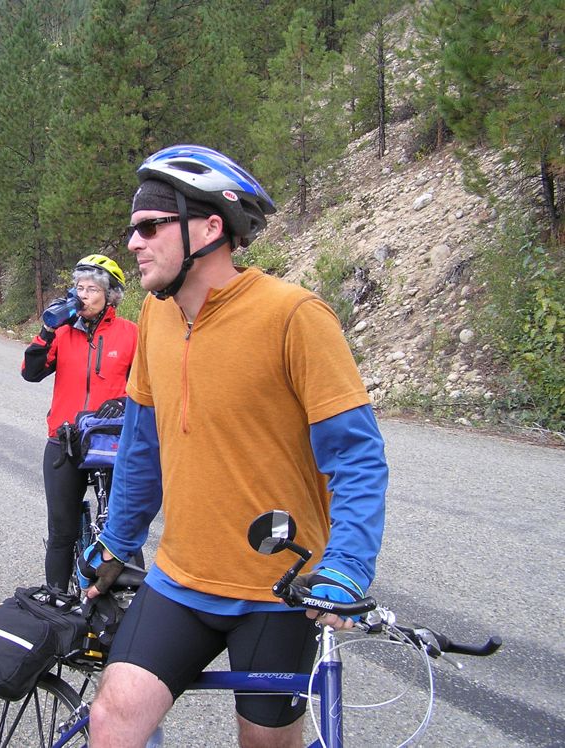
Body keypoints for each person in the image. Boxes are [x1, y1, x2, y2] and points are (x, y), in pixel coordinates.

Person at [81, 145, 388, 748]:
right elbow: (141, 450)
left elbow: (356, 457)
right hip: (180, 579)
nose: (134, 243)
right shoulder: (156, 318)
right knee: (113, 719)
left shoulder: (294, 316)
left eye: (150, 227)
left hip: (278, 590)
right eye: (133, 229)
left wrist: (347, 564)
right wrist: (118, 539)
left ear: (209, 228)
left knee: (265, 743)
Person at [21, 254, 138, 592]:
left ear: (110, 296)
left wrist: (123, 402)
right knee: (62, 532)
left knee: (121, 531)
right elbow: (31, 373)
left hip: (112, 441)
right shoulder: (62, 332)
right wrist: (46, 331)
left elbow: (151, 387)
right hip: (65, 440)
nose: (83, 296)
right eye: (79, 288)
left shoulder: (130, 334)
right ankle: (56, 602)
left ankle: (130, 603)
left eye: (92, 289)